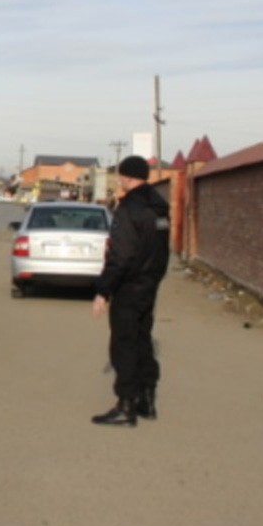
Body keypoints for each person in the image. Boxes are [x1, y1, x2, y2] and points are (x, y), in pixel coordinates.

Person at [90, 155, 170, 427]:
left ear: (127, 176)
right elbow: (162, 253)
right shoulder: (159, 208)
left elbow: (120, 256)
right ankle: (146, 399)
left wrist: (104, 290)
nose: (117, 180)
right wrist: (153, 279)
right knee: (142, 340)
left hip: (129, 286)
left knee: (123, 344)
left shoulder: (128, 210)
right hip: (149, 285)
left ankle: (126, 405)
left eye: (119, 175)